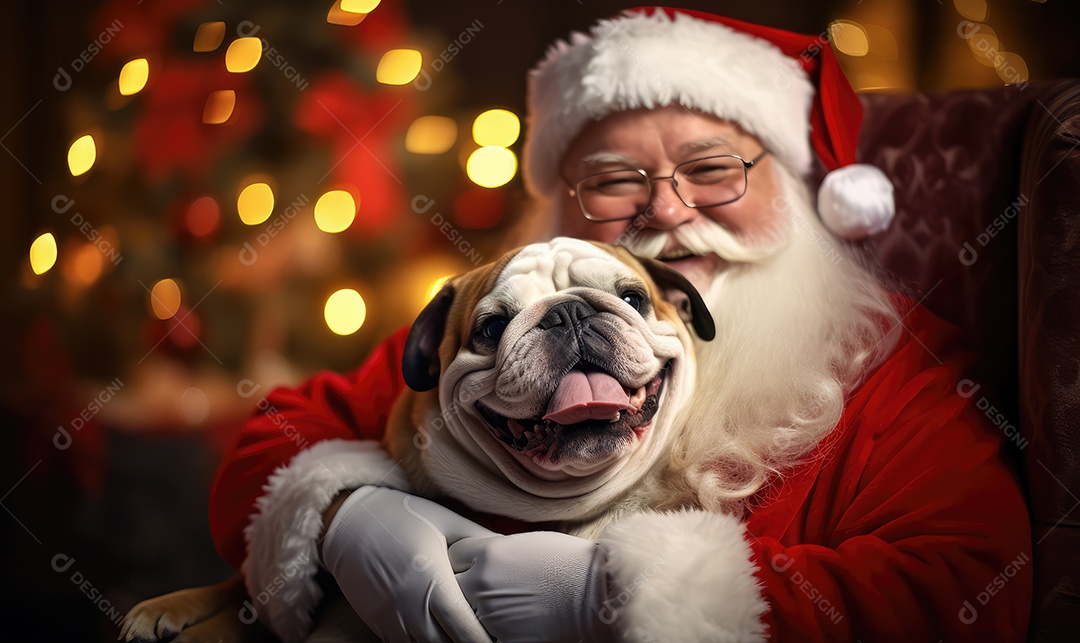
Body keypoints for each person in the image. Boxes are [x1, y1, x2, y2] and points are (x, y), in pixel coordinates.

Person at [209, 7, 1032, 642]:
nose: (668, 209)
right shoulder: (492, 332)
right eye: (613, 180)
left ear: (795, 186)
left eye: (713, 169)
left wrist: (603, 598)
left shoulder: (888, 363)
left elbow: (968, 583)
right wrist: (343, 511)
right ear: (560, 207)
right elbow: (274, 434)